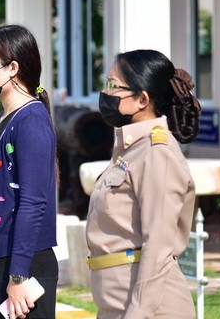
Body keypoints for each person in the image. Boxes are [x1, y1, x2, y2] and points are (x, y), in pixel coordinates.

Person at [85, 49, 201, 319]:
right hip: (116, 304)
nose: (105, 93)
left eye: (113, 86)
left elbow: (158, 245)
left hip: (150, 309)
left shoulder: (157, 153)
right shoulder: (131, 149)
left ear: (142, 99)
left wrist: (138, 314)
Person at [0, 24, 58, 319]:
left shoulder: (30, 121)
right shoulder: (3, 118)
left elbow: (33, 203)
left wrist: (18, 275)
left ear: (12, 68)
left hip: (24, 266)